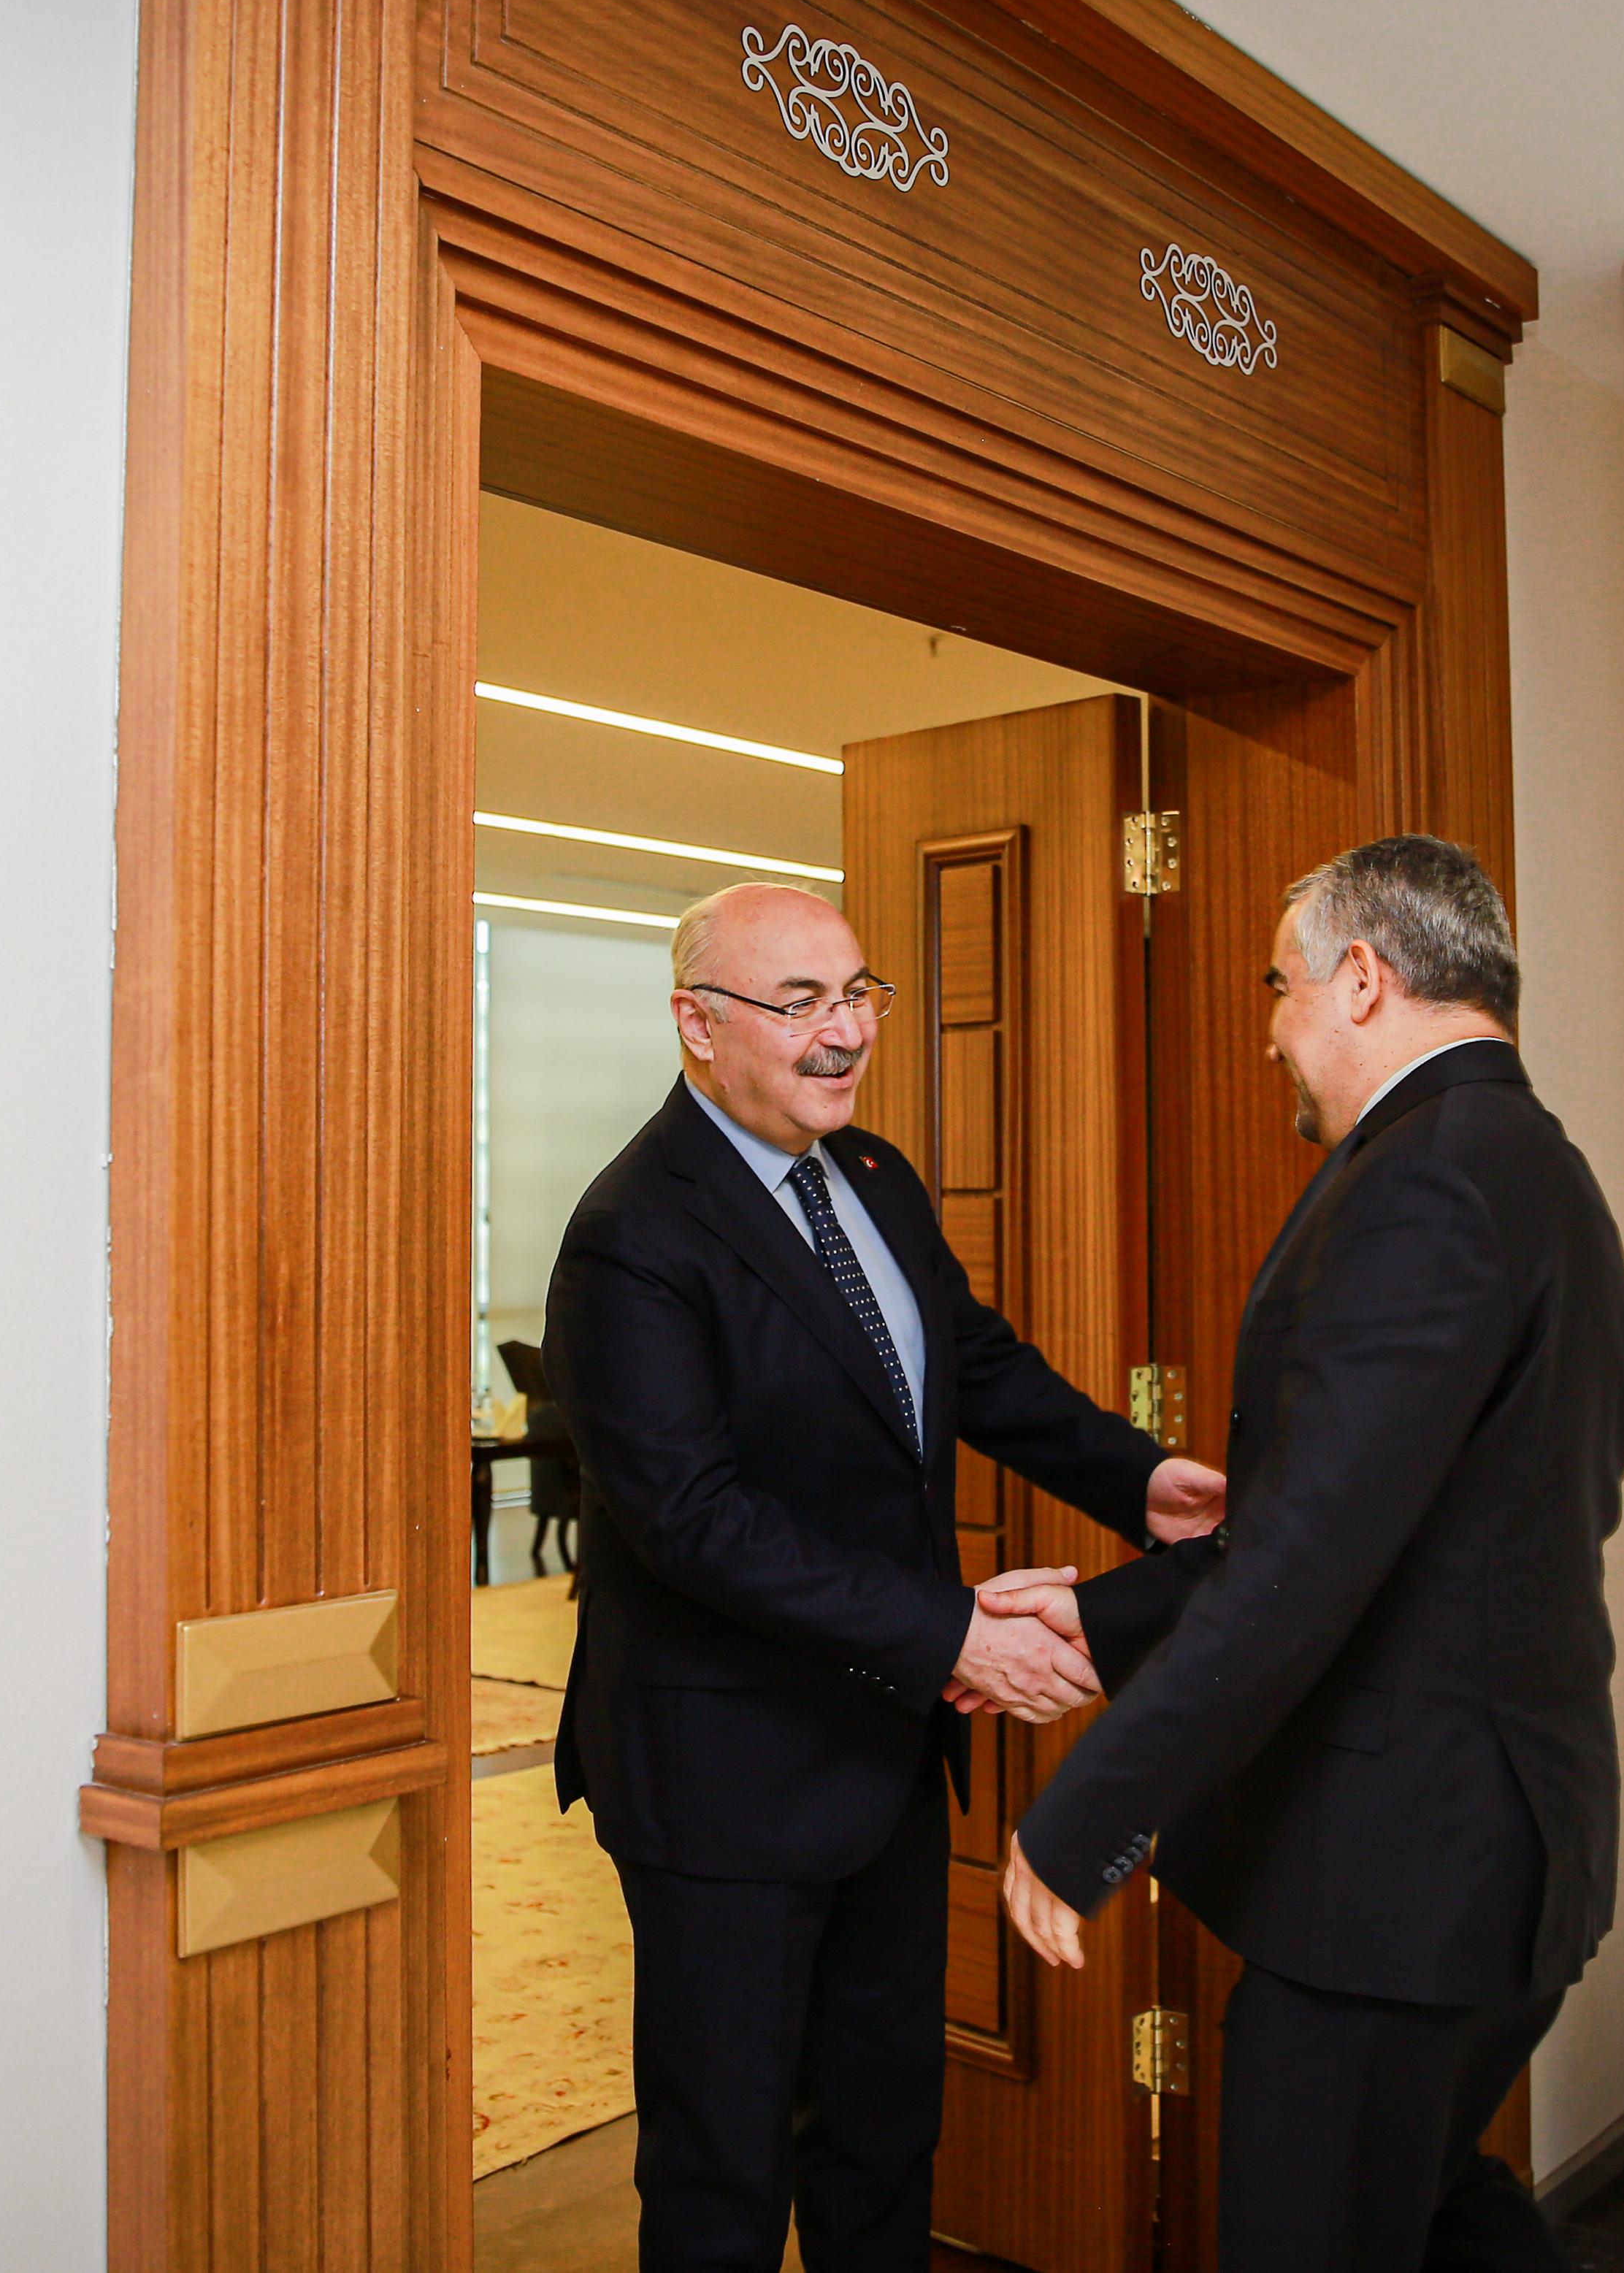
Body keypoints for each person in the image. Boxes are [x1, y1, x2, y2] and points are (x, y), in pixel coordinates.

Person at [544, 881, 1224, 2273]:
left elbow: (975, 1364)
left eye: (858, 992)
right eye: (800, 1002)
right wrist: (953, 1633)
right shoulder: (633, 1231)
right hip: (721, 1779)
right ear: (697, 1024)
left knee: (881, 2140)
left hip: (883, 1753)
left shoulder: (872, 1172)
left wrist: (1137, 1478)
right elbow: (694, 1521)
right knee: (723, 2174)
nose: (846, 1030)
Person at [987, 836, 1624, 2273]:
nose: (1271, 1032)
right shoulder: (1531, 1165)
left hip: (1396, 1877)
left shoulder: (1424, 1182)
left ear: (1360, 978)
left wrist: (1085, 1814)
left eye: (1278, 988)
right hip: (1488, 1846)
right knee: (1429, 2211)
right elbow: (1408, 1531)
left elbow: (1313, 1562)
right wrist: (1098, 1622)